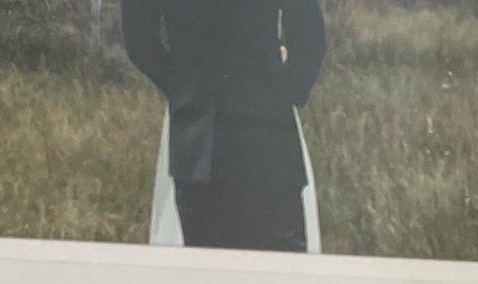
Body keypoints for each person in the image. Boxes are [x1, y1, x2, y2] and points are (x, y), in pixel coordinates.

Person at [121, 0, 326, 253]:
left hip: (201, 138)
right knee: (279, 269)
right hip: (266, 131)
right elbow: (310, 38)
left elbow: (140, 44)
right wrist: (283, 93)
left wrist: (186, 92)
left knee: (209, 273)